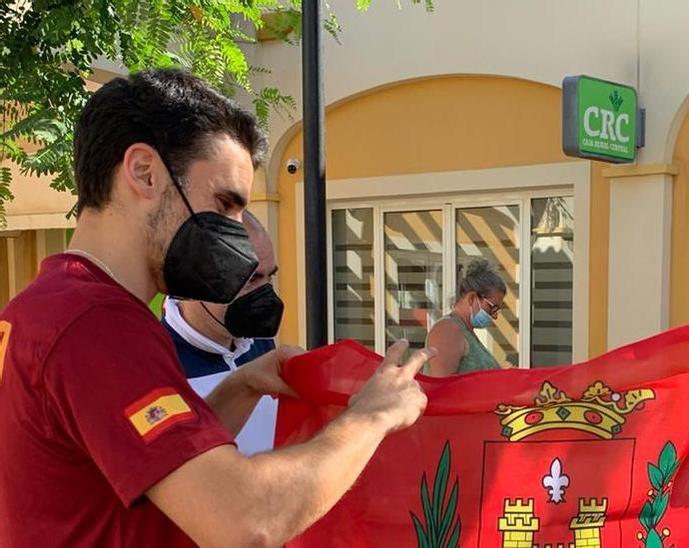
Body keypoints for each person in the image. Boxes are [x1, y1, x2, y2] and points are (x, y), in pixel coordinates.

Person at [0, 69, 428, 547]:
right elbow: (245, 521)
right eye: (225, 204)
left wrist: (240, 387)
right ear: (144, 172)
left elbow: (147, 469)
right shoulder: (98, 322)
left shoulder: (43, 306)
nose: (237, 234)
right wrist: (373, 416)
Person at [163, 210, 282, 455]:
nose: (265, 294)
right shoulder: (156, 365)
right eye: (251, 279)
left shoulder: (259, 343)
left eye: (269, 277)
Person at [426, 259, 507, 376]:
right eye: (492, 308)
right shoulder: (448, 330)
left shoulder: (465, 331)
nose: (494, 316)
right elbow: (441, 386)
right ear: (472, 298)